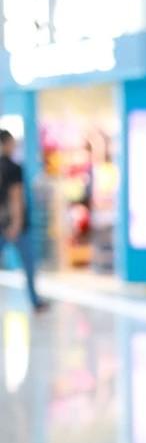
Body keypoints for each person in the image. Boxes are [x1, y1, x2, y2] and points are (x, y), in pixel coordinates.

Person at [0, 130, 49, 312]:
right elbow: (16, 197)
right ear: (7, 143)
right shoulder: (13, 168)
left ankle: (36, 301)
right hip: (17, 226)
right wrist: (16, 224)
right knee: (29, 265)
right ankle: (35, 301)